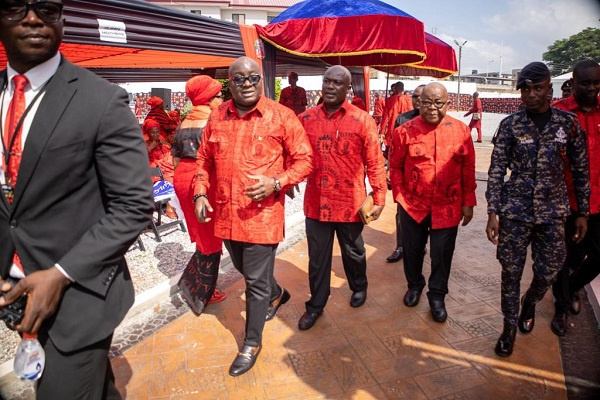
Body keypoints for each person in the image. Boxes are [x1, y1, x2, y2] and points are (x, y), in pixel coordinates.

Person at [0, 2, 154, 398]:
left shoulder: (101, 99)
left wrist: (61, 273)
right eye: (16, 7)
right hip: (15, 291)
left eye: (47, 8)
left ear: (63, 20)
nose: (33, 19)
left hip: (79, 296)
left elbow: (134, 205)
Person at [193, 57, 312, 376]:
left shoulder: (282, 116)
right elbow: (203, 159)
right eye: (238, 79)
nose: (246, 84)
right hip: (226, 214)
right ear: (228, 84)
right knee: (245, 269)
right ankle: (277, 293)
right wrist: (201, 192)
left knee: (255, 280)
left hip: (263, 216)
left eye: (252, 78)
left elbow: (305, 160)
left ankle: (251, 342)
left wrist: (277, 182)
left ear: (261, 80)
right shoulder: (217, 116)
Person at [485, 61, 589, 357]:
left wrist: (582, 212)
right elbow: (496, 171)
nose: (530, 94)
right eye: (525, 89)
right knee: (511, 273)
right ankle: (507, 330)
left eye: (537, 88)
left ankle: (530, 301)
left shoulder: (567, 124)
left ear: (549, 90)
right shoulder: (510, 125)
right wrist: (493, 211)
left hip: (554, 213)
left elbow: (581, 170)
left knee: (549, 272)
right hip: (515, 213)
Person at [297, 65, 386, 331]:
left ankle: (359, 287)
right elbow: (293, 155)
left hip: (350, 202)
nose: (330, 86)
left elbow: (375, 161)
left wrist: (379, 195)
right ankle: (316, 305)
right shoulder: (305, 119)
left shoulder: (362, 120)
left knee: (355, 252)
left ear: (348, 89)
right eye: (327, 81)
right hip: (317, 202)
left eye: (337, 82)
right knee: (318, 258)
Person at [389, 82, 476, 323]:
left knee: (442, 253)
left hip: (447, 206)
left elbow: (468, 169)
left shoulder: (461, 131)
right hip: (412, 205)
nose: (432, 108)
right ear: (418, 103)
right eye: (426, 102)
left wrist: (469, 202)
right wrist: (399, 195)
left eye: (439, 103)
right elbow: (394, 166)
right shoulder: (404, 131)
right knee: (413, 250)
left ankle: (437, 295)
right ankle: (414, 285)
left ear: (448, 104)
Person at [550, 59, 600, 336]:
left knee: (596, 256)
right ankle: (561, 306)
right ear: (574, 82)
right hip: (566, 203)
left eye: (596, 82)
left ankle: (572, 286)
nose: (592, 88)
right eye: (586, 83)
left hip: (598, 201)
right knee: (566, 258)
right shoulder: (558, 115)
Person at [172, 75, 226, 314]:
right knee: (210, 236)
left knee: (201, 231)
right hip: (202, 180)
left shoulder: (184, 122)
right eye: (219, 96)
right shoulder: (213, 120)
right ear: (208, 98)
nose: (222, 99)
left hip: (182, 177)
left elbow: (174, 158)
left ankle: (194, 282)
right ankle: (205, 290)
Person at [386, 84, 426, 263]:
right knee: (401, 213)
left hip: (426, 180)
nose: (418, 100)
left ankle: (420, 244)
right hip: (406, 179)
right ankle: (400, 246)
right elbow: (394, 150)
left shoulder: (435, 120)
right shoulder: (402, 120)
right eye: (415, 97)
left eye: (421, 97)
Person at [381, 81, 413, 147]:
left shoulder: (389, 100)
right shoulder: (408, 99)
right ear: (403, 89)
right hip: (406, 128)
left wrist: (382, 132)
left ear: (394, 89)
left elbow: (385, 118)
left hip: (392, 129)